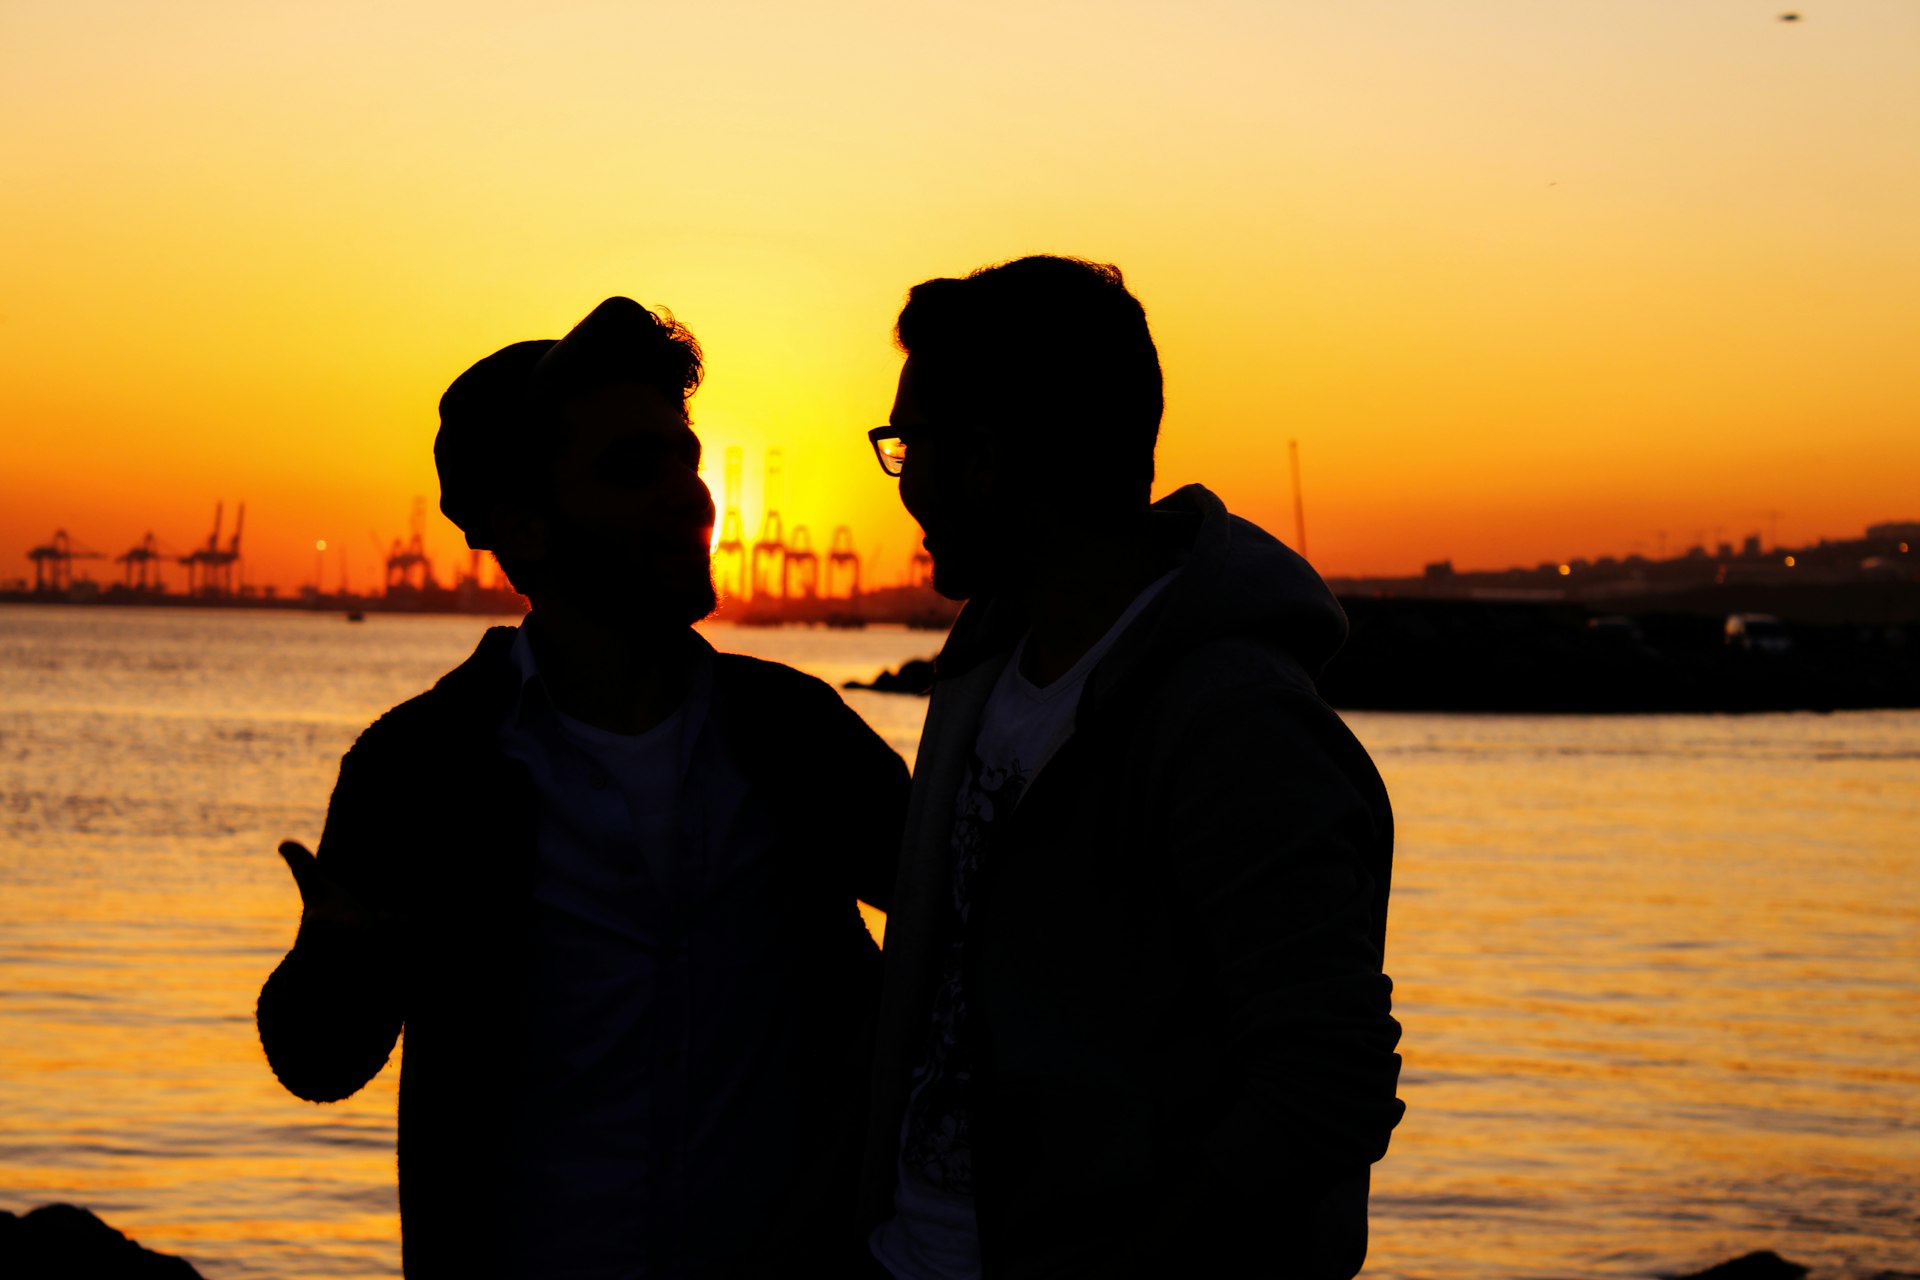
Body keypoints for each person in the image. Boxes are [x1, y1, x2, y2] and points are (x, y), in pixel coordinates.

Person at [257, 297, 908, 1279]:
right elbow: (319, 1060)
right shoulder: (422, 765)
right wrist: (342, 967)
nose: (689, 495)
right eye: (630, 468)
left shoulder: (795, 731)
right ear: (524, 530)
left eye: (686, 459)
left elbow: (975, 938)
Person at [860, 257, 1404, 1279]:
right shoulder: (986, 667)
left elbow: (1325, 1079)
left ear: (981, 458)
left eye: (907, 445)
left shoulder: (1235, 720)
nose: (905, 482)